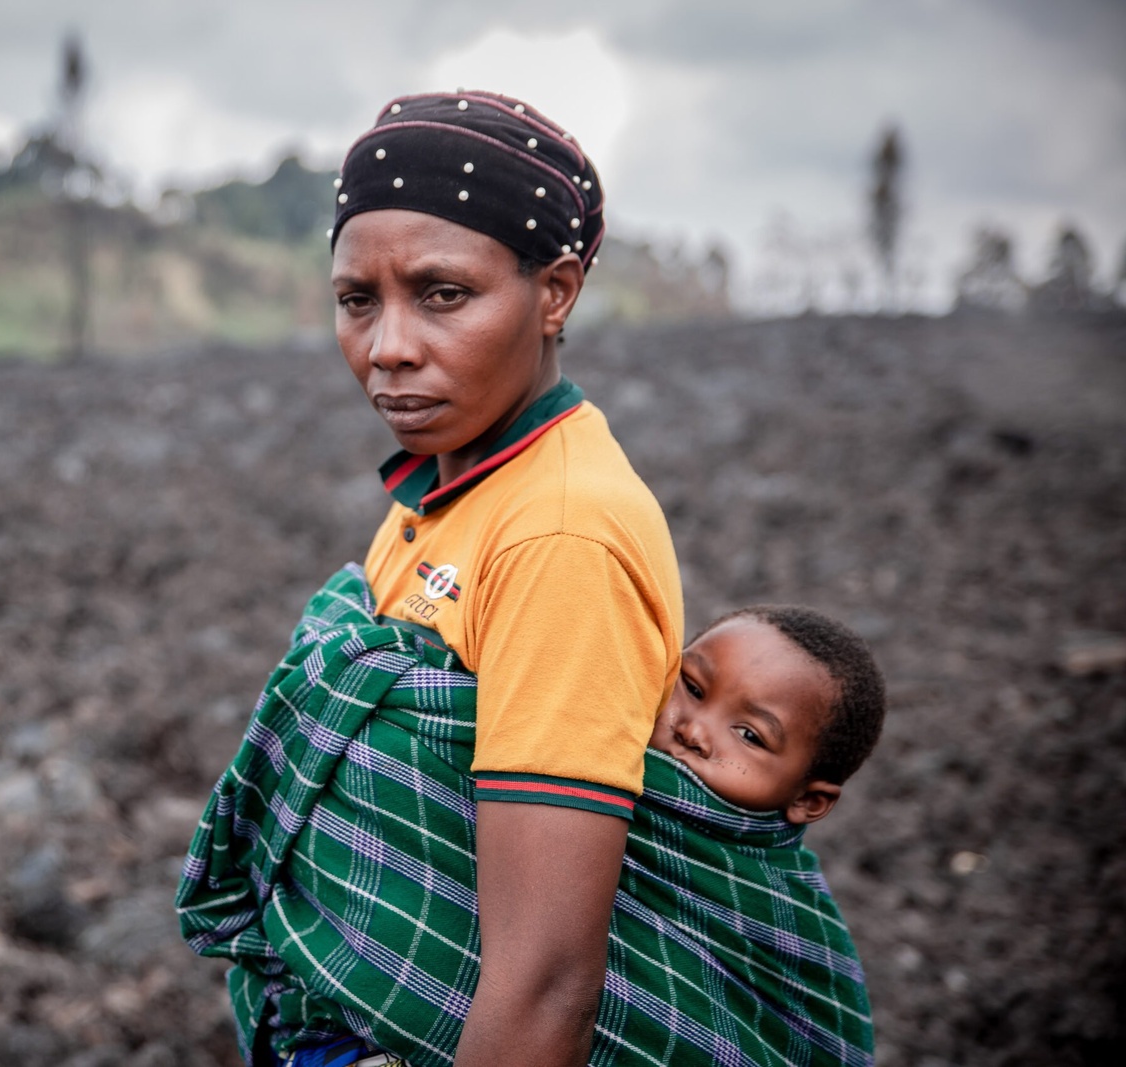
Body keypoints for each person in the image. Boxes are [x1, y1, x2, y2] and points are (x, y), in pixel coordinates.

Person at [179, 90, 684, 1066]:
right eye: (356, 300)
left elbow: (543, 980)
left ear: (556, 292)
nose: (388, 347)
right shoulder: (446, 491)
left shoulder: (559, 533)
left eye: (443, 293)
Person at [600, 604, 886, 1065]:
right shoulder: (579, 760)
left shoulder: (785, 924)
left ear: (809, 800)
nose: (693, 730)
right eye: (692, 687)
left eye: (749, 735)